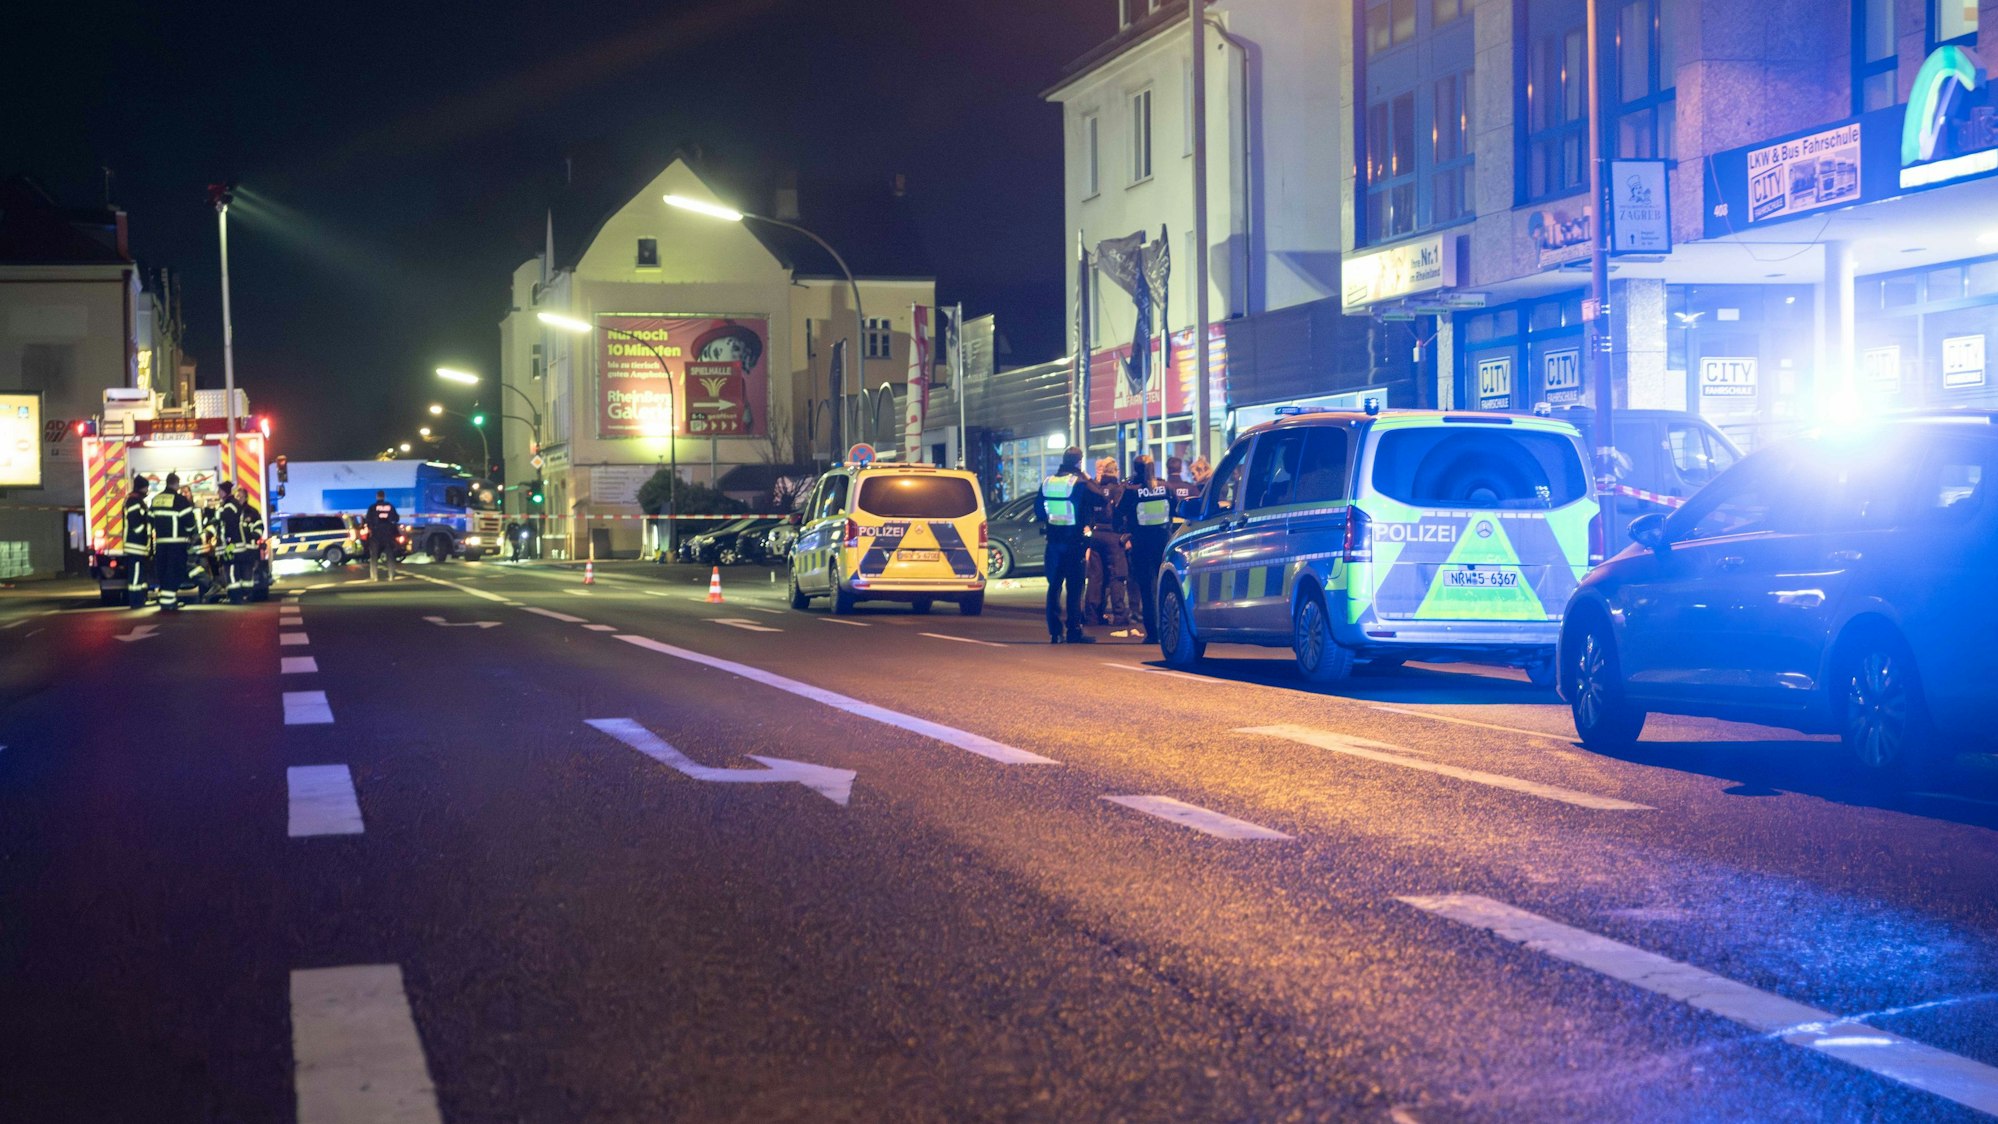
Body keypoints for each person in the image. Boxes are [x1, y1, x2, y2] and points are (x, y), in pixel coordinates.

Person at [1035, 446, 1107, 644]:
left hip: (1053, 542)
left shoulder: (1048, 482)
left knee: (1054, 587)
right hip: (1074, 543)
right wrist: (1087, 476)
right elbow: (1101, 498)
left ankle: (1055, 632)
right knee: (1075, 588)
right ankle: (1074, 630)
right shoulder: (1079, 483)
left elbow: (1039, 512)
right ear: (1079, 462)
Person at [1117, 454, 1173, 642]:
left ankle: (1153, 633)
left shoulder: (1132, 491)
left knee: (1147, 590)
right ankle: (1168, 628)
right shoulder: (1165, 488)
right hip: (1163, 543)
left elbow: (1117, 515)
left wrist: (1124, 533)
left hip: (1141, 545)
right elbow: (1177, 509)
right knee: (1165, 586)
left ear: (1136, 469)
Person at [1083, 457, 1130, 630]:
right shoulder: (1119, 490)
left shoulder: (1096, 490)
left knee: (1095, 577)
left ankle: (1092, 616)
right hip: (1113, 536)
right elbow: (1124, 513)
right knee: (1117, 576)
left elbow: (1088, 512)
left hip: (1096, 535)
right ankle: (1119, 616)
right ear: (1116, 472)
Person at [146, 472, 199, 612]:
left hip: (161, 544)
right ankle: (169, 602)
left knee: (163, 571)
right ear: (176, 484)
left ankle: (167, 600)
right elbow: (190, 523)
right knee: (174, 571)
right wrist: (189, 534)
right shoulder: (180, 500)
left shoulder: (156, 499)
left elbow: (150, 519)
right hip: (177, 544)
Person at [214, 481, 257, 603]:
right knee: (231, 569)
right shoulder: (230, 504)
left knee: (230, 569)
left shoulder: (230, 505)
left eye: (220, 490)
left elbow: (222, 517)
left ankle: (235, 597)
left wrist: (217, 511)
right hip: (233, 544)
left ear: (224, 492)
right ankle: (237, 596)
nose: (218, 493)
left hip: (232, 545)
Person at [122, 475, 153, 609]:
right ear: (142, 487)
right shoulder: (133, 501)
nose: (147, 490)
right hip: (135, 544)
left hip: (140, 546)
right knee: (135, 574)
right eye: (146, 487)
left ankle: (141, 598)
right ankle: (136, 601)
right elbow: (135, 522)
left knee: (140, 574)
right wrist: (145, 527)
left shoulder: (137, 500)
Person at [364, 489, 400, 581]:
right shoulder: (390, 506)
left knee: (374, 556)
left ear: (377, 496)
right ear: (384, 496)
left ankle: (375, 576)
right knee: (390, 555)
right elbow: (396, 518)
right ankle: (391, 575)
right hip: (388, 534)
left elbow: (368, 520)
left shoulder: (372, 507)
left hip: (376, 534)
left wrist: (371, 529)